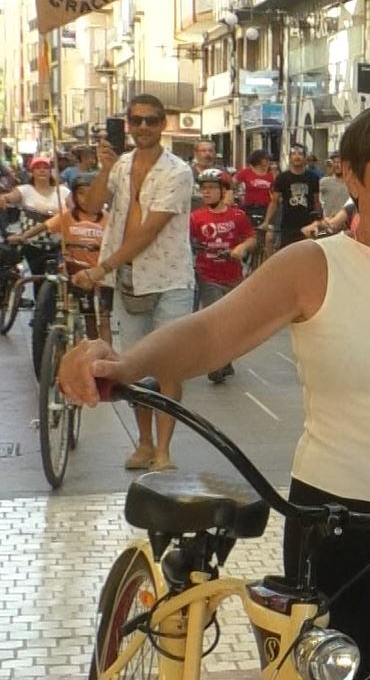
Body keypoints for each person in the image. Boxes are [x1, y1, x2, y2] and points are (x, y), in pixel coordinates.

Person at [58, 99, 370, 680]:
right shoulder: (314, 265)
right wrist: (126, 362)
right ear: (350, 178)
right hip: (340, 526)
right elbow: (212, 333)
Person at [72, 94, 196, 472]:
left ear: (162, 125)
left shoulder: (177, 171)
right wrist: (105, 170)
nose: (143, 127)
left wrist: (100, 267)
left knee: (169, 367)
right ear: (128, 124)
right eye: (136, 120)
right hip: (129, 280)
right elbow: (91, 207)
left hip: (170, 278)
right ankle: (144, 444)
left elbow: (149, 232)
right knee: (135, 367)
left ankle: (164, 451)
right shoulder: (121, 166)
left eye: (151, 120)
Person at [6, 173, 112, 343]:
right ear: (74, 196)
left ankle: (107, 356)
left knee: (104, 320)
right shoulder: (68, 216)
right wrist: (24, 236)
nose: (86, 199)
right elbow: (44, 226)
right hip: (74, 273)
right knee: (87, 317)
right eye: (81, 194)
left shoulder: (108, 219)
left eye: (92, 194)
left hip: (101, 276)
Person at [190, 169, 256, 382]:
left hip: (233, 276)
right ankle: (215, 364)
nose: (206, 192)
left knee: (231, 323)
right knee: (215, 320)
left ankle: (225, 360)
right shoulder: (195, 218)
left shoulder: (237, 216)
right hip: (207, 276)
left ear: (224, 190)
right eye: (203, 188)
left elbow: (252, 238)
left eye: (211, 188)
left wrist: (242, 248)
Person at [1, 155, 70, 305]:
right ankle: (41, 317)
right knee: (39, 280)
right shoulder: (25, 190)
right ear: (31, 172)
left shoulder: (63, 191)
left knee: (62, 280)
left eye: (45, 167)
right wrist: (4, 199)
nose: (42, 171)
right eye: (37, 168)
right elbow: (11, 197)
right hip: (33, 244)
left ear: (51, 171)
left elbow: (74, 206)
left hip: (60, 244)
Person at [266, 145, 322, 250]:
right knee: (287, 255)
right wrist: (267, 221)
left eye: (300, 154)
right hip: (288, 225)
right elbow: (274, 201)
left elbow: (316, 201)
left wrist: (319, 220)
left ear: (305, 158)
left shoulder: (313, 177)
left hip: (308, 223)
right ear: (289, 158)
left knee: (307, 254)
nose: (297, 157)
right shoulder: (282, 178)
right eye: (294, 154)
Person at [234, 149, 275, 231]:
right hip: (249, 207)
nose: (268, 161)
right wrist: (237, 195)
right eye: (265, 159)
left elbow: (275, 191)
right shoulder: (246, 172)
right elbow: (232, 183)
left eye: (268, 160)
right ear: (258, 160)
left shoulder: (271, 175)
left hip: (265, 207)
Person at [318, 151, 350, 218]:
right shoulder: (324, 182)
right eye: (334, 162)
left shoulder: (351, 182)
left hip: (348, 223)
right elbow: (318, 201)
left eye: (340, 162)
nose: (337, 165)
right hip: (329, 222)